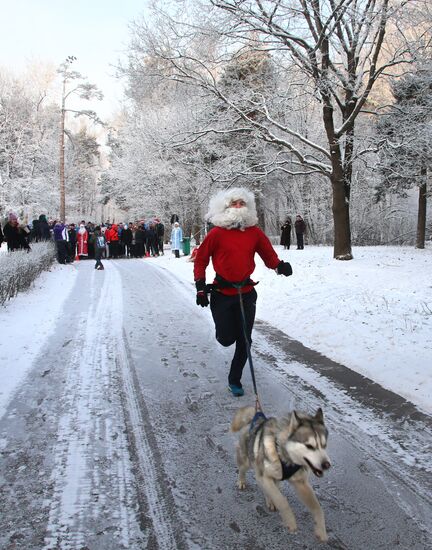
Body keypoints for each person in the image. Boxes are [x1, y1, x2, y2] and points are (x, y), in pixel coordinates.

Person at [193, 187, 292, 397]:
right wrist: (201, 287)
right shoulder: (216, 234)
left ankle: (234, 379)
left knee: (245, 339)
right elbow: (201, 259)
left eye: (242, 203)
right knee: (226, 338)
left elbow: (268, 254)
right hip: (222, 293)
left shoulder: (254, 232)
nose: (238, 207)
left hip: (246, 292)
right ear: (225, 208)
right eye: (234, 204)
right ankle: (224, 335)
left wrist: (280, 266)